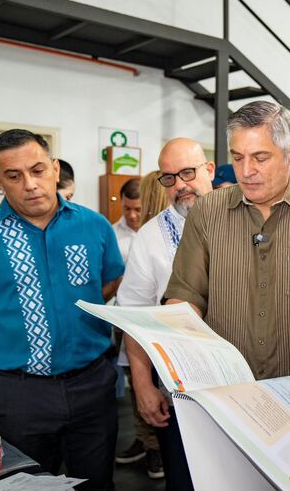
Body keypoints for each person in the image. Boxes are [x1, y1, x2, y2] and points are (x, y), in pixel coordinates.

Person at [163, 100, 290, 391]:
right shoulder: (207, 212)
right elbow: (185, 295)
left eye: (260, 158)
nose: (246, 171)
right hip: (225, 387)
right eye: (238, 157)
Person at [0, 129, 124, 490]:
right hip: (18, 395)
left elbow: (109, 282)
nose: (30, 184)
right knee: (25, 485)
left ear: (55, 169)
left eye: (38, 170)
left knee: (97, 482)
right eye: (13, 176)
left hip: (93, 386)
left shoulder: (95, 226)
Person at [119, 138, 215, 491]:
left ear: (209, 171)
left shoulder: (243, 217)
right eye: (169, 178)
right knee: (185, 481)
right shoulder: (150, 237)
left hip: (249, 385)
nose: (180, 186)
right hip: (182, 392)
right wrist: (143, 385)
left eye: (188, 173)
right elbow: (134, 316)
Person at [114, 171, 168, 480]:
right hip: (132, 323)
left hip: (155, 327)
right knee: (140, 388)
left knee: (153, 391)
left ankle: (156, 448)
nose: (134, 214)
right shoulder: (121, 232)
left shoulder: (162, 232)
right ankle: (147, 442)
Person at [113, 178, 141, 263]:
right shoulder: (111, 234)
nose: (132, 215)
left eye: (138, 209)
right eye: (127, 208)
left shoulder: (156, 231)